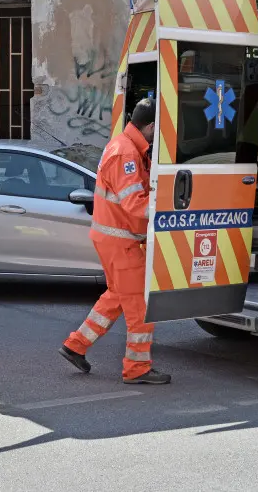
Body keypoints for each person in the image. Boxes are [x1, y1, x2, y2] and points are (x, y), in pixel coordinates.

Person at [58, 97, 171, 385]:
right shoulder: (126, 154)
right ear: (152, 126)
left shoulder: (127, 146)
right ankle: (137, 368)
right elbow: (135, 205)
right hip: (122, 241)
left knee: (117, 297)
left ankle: (76, 345)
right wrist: (171, 211)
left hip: (114, 238)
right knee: (139, 307)